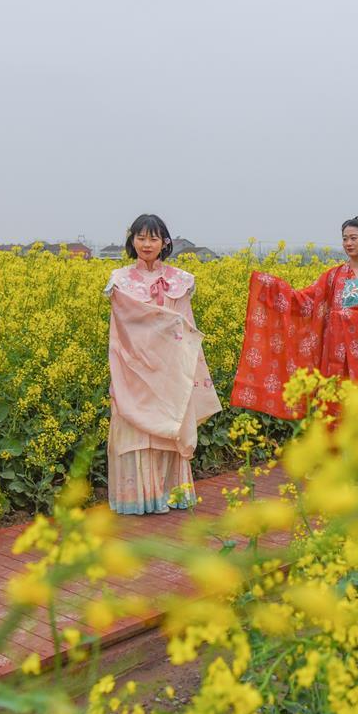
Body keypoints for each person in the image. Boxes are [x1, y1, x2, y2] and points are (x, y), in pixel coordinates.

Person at [105, 214, 221, 514]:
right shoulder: (120, 280)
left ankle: (169, 493)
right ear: (132, 241)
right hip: (134, 368)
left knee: (169, 424)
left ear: (164, 242)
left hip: (169, 368)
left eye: (153, 238)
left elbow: (185, 324)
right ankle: (138, 497)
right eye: (141, 238)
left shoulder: (180, 280)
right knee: (135, 426)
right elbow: (121, 326)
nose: (147, 244)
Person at [232, 215, 358, 419]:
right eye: (345, 238)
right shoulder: (333, 276)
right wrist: (271, 289)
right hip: (335, 352)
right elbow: (306, 301)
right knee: (333, 407)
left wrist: (347, 317)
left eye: (353, 238)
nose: (348, 243)